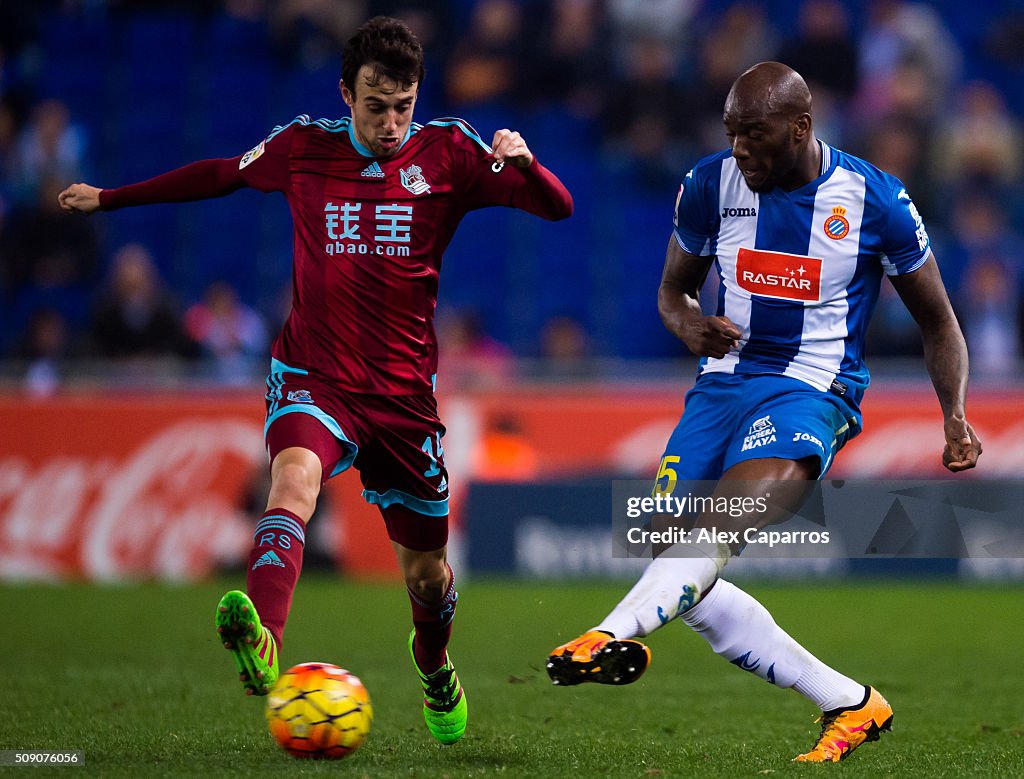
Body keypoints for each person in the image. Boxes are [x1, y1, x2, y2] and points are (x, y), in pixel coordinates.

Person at [59, 16, 573, 745]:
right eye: (375, 104)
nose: (391, 122)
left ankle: (433, 666)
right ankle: (265, 640)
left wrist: (525, 164)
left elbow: (561, 207)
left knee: (427, 578)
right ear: (346, 93)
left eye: (403, 104)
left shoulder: (451, 153)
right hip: (314, 374)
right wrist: (111, 198)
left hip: (402, 399)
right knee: (293, 483)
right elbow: (217, 175)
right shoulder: (303, 148)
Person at [546, 62, 980, 763]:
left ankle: (607, 633)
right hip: (720, 387)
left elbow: (939, 320)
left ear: (800, 127)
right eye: (731, 133)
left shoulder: (874, 199)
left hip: (812, 389)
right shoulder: (709, 184)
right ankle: (850, 702)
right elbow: (672, 293)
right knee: (673, 555)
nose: (739, 148)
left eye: (754, 134)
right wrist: (689, 327)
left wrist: (953, 414)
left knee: (726, 516)